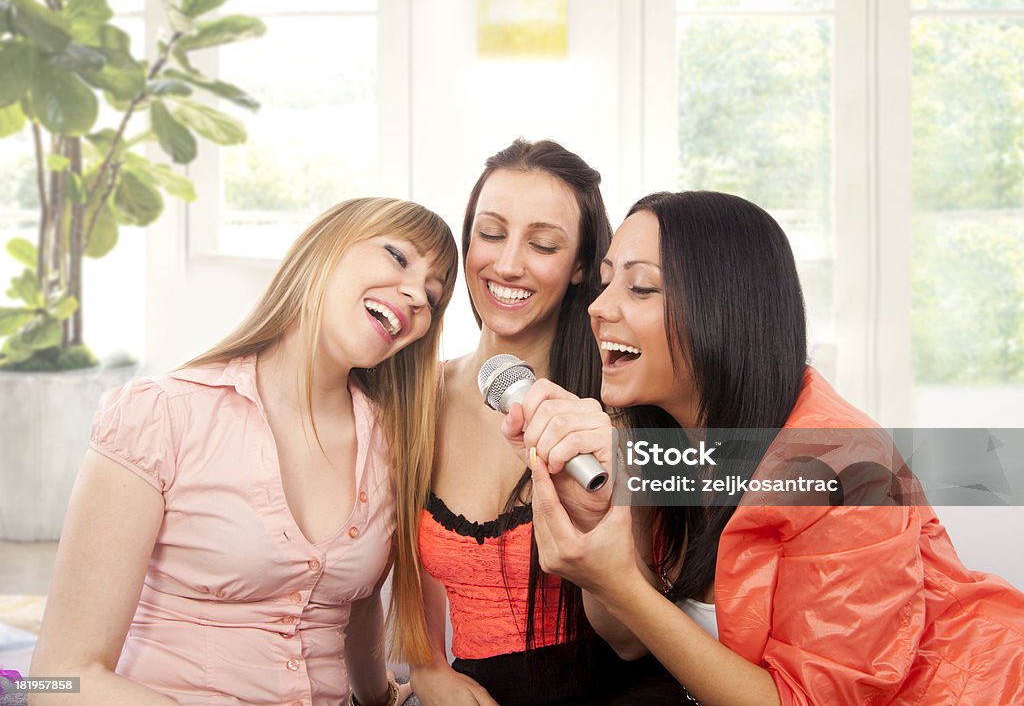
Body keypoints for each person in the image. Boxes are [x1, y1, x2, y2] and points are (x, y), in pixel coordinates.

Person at [503, 190, 1024, 705]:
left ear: (724, 308)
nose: (598, 306)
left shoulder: (846, 467)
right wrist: (598, 525)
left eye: (640, 287)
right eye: (606, 280)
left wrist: (622, 586)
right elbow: (628, 638)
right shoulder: (657, 443)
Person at [30, 198, 459, 706]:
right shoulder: (160, 415)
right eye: (397, 256)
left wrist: (385, 696)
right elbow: (58, 677)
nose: (415, 295)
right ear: (322, 248)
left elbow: (354, 607)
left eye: (432, 296)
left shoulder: (393, 446)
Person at [396, 140, 684, 705]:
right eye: (492, 233)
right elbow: (406, 563)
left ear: (581, 266)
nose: (507, 264)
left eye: (543, 244)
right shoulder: (417, 398)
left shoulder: (616, 414)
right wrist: (428, 667)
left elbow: (630, 641)